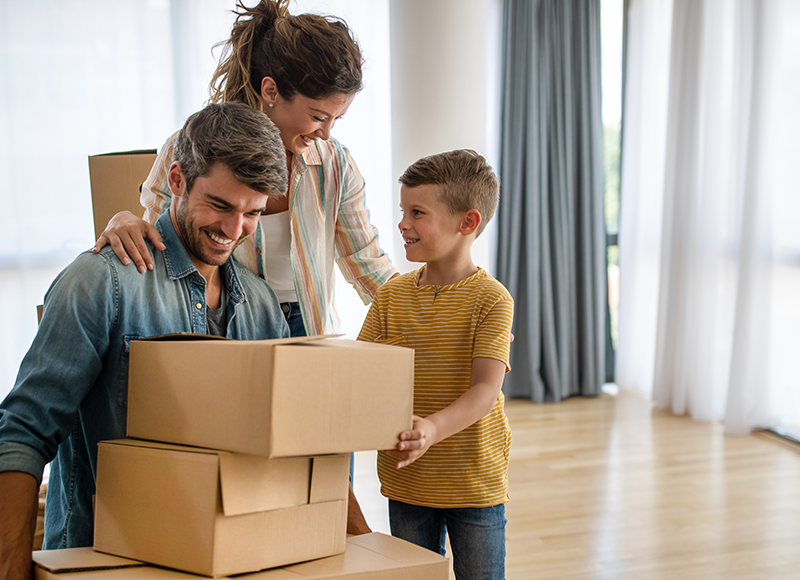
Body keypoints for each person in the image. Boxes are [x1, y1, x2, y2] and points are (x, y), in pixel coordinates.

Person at [0, 102, 291, 579]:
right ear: (176, 180)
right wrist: (10, 565)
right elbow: (22, 430)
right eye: (219, 205)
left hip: (232, 559)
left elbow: (293, 443)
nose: (233, 231)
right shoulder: (101, 283)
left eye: (252, 213)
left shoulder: (259, 305)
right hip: (106, 563)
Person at [94, 0, 398, 337]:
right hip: (223, 324)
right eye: (317, 116)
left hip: (310, 329)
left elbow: (366, 261)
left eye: (336, 118)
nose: (326, 133)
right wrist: (124, 221)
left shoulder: (334, 162)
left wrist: (434, 302)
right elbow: (162, 244)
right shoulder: (196, 143)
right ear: (270, 90)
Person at [357, 150, 514, 580]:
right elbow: (360, 373)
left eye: (417, 212)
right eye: (403, 211)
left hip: (473, 481)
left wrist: (431, 429)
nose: (402, 224)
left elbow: (485, 390)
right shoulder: (390, 297)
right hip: (407, 480)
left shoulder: (492, 300)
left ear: (468, 223)